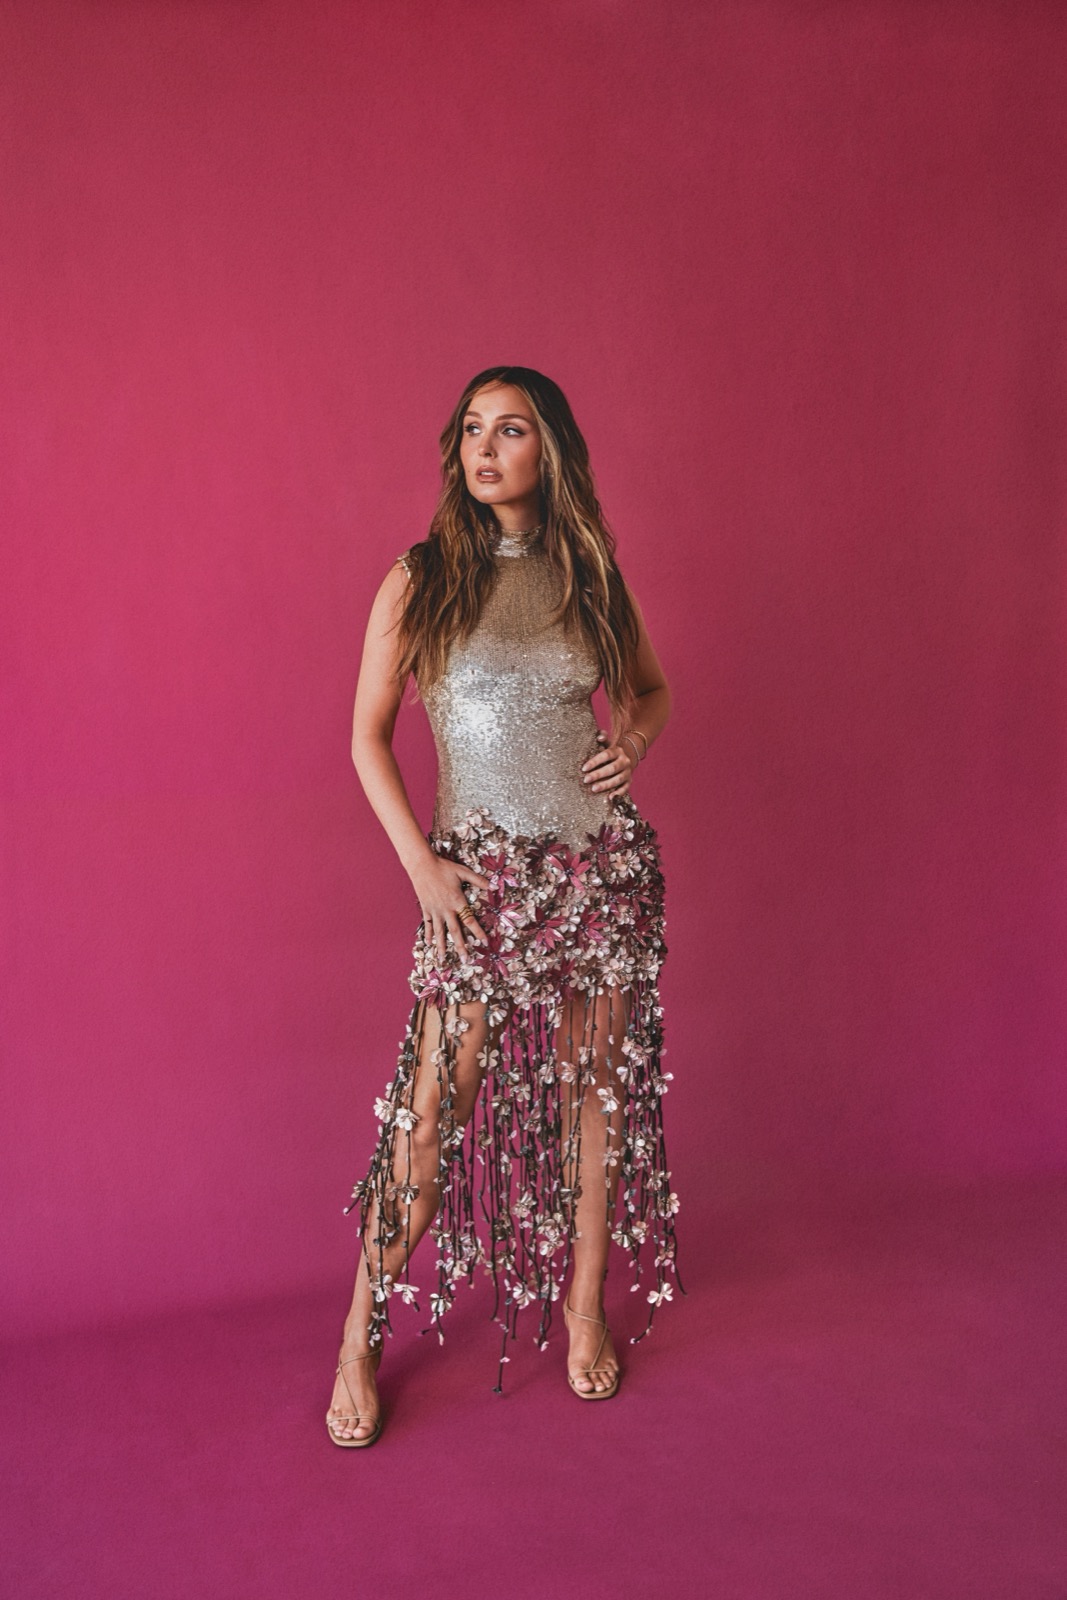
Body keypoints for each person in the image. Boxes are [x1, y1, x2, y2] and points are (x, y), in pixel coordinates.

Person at [326, 365, 680, 1447]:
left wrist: (628, 742)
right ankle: (356, 1341)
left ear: (549, 448)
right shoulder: (420, 577)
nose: (485, 448)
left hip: (594, 879)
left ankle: (584, 1310)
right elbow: (366, 738)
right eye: (472, 430)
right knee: (428, 1117)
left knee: (591, 1102)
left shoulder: (588, 569)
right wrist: (422, 870)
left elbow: (651, 689)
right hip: (477, 892)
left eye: (510, 429)